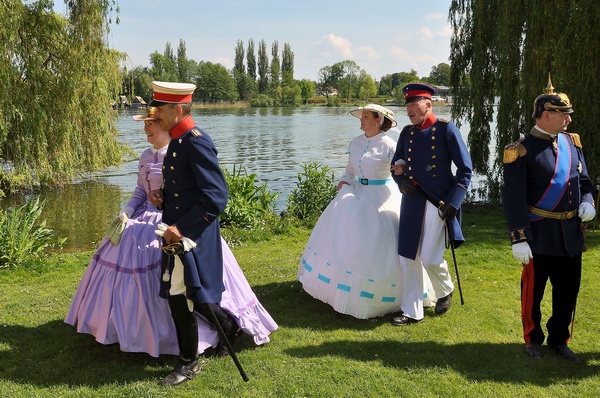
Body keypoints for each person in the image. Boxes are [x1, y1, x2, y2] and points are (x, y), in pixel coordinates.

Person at [65, 107, 277, 363]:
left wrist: (168, 208)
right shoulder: (146, 155)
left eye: (151, 123)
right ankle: (147, 335)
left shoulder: (186, 148)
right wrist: (127, 212)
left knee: (190, 289)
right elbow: (140, 192)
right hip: (154, 221)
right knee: (175, 291)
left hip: (178, 227)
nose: (146, 128)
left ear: (165, 123)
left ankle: (210, 337)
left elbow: (209, 194)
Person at [144, 81, 250, 386]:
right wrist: (164, 195)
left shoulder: (195, 141)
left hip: (192, 235)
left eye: (160, 109)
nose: (156, 114)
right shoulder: (178, 140)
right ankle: (231, 329)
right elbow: (187, 188)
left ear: (177, 110)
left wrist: (182, 228)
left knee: (181, 294)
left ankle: (188, 364)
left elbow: (216, 196)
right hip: (178, 233)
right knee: (191, 292)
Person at [297, 104, 435, 319]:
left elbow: (404, 167)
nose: (361, 120)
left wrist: (405, 170)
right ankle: (339, 289)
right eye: (361, 116)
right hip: (356, 195)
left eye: (366, 117)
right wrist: (345, 181)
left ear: (378, 120)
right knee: (348, 239)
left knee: (382, 242)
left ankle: (387, 295)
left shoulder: (389, 144)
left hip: (382, 196)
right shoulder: (356, 142)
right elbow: (350, 169)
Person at [502, 75, 595, 363]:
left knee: (568, 291)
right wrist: (519, 237)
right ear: (546, 115)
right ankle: (533, 339)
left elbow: (585, 181)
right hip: (538, 233)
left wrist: (588, 201)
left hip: (569, 232)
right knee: (533, 292)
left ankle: (559, 339)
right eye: (563, 114)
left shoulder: (572, 144)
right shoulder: (520, 150)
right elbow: (513, 198)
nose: (568, 119)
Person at [390, 83, 472, 326]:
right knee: (408, 257)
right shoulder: (406, 133)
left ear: (428, 104)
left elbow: (465, 170)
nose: (409, 110)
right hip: (412, 201)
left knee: (429, 256)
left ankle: (445, 288)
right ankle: (412, 311)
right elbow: (397, 164)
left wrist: (454, 202)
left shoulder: (446, 130)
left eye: (414, 105)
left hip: (439, 203)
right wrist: (401, 181)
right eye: (407, 105)